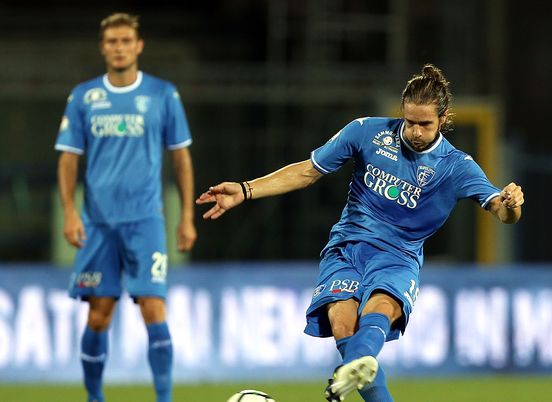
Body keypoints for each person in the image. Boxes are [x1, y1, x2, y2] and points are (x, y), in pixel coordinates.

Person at [197, 64, 524, 402]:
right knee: (342, 323)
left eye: (424, 124)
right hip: (347, 247)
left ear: (443, 118)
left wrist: (511, 204)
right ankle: (354, 365)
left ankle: (352, 367)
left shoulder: (457, 166)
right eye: (409, 121)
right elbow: (308, 172)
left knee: (379, 308)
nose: (414, 132)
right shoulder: (366, 132)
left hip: (398, 257)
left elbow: (501, 211)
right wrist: (245, 189)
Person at [55, 13, 196, 402]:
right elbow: (68, 158)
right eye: (112, 42)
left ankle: (164, 398)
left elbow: (181, 157)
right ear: (103, 48)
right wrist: (70, 212)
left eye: (125, 41)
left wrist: (185, 217)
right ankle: (95, 397)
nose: (119, 48)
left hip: (146, 220)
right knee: (99, 312)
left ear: (138, 46)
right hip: (98, 223)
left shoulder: (162, 94)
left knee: (153, 306)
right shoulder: (84, 96)